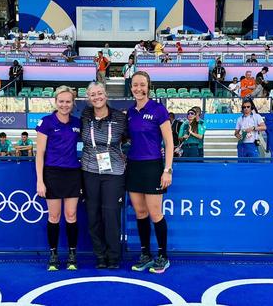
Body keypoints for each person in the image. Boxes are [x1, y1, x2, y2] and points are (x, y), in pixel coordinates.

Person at [126, 71, 174, 274]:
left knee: (155, 213)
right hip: (133, 167)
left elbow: (169, 143)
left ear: (148, 86)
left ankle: (163, 256)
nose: (139, 88)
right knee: (140, 213)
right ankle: (145, 254)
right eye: (135, 85)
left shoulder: (158, 110)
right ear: (131, 88)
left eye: (142, 85)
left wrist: (167, 169)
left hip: (153, 167)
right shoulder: (129, 112)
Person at [80, 81, 127, 269]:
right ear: (88, 98)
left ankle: (114, 256)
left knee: (111, 215)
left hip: (114, 172)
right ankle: (100, 256)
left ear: (106, 95)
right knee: (93, 215)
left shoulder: (119, 118)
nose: (97, 97)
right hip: (89, 170)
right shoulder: (84, 115)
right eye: (93, 94)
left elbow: (132, 138)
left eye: (100, 93)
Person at [35, 86, 82, 271]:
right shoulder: (46, 122)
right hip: (52, 174)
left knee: (71, 215)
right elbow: (39, 154)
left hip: (73, 174)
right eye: (61, 101)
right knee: (54, 216)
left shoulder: (78, 123)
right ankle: (53, 254)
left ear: (73, 103)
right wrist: (40, 180)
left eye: (68, 101)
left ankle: (72, 254)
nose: (64, 105)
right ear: (56, 102)